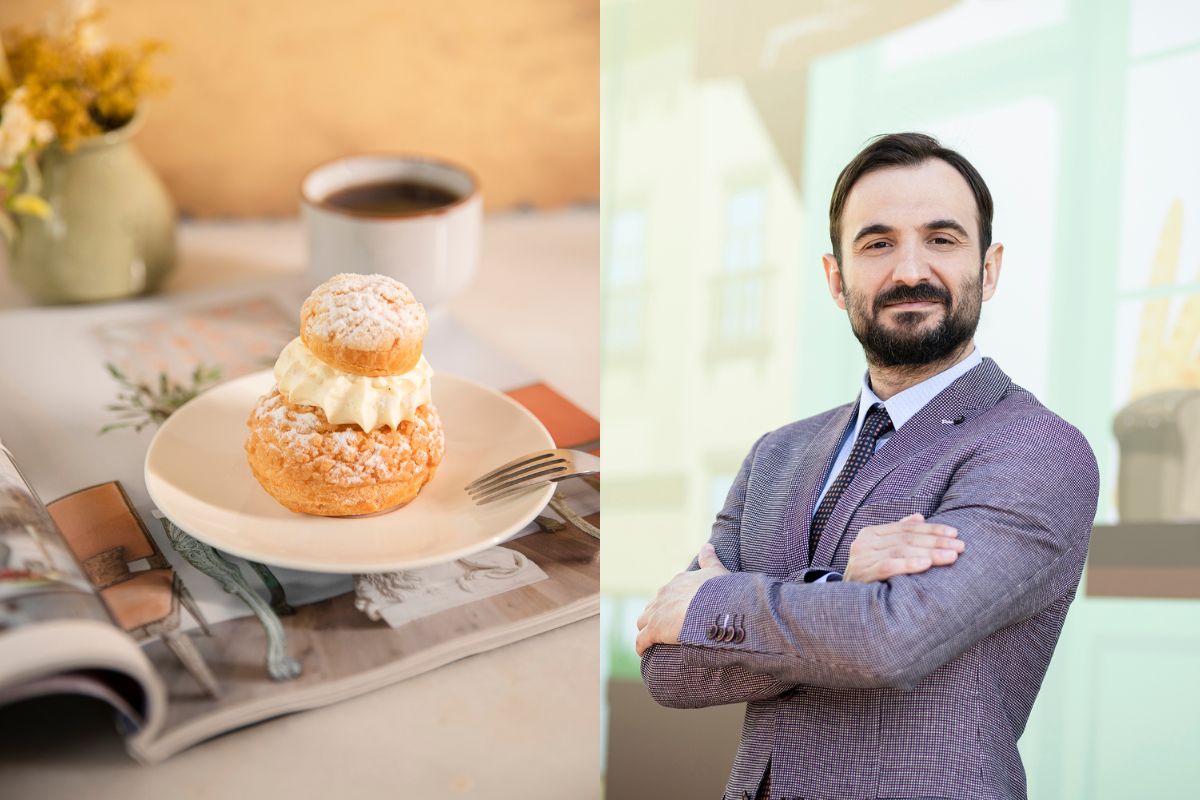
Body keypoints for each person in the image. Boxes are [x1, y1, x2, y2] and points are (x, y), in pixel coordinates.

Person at [635, 132, 1098, 800]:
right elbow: (668, 672)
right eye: (877, 243)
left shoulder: (1035, 448)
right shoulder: (776, 455)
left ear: (989, 269)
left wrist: (717, 602)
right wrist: (839, 586)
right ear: (836, 278)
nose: (910, 270)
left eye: (941, 239)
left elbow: (892, 640)